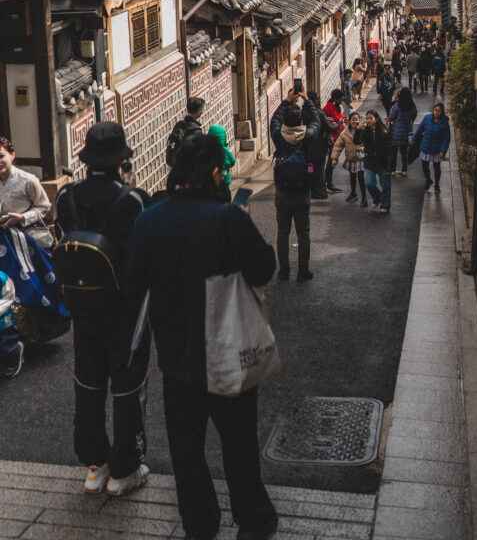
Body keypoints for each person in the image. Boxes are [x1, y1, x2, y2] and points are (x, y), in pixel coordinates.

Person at [127, 132, 278, 540]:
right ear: (214, 172)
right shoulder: (227, 218)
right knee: (239, 444)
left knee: (187, 451)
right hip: (228, 352)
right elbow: (264, 268)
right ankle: (253, 519)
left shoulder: (148, 220)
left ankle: (200, 523)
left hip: (176, 357)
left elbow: (135, 280)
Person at [54, 122, 150, 497]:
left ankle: (94, 465)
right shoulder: (133, 200)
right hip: (126, 311)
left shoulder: (67, 198)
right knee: (128, 388)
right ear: (121, 161)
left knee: (88, 384)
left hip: (83, 307)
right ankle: (125, 469)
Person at [0, 136, 69, 347]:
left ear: (12, 155)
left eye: (1, 156)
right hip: (4, 242)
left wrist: (21, 217)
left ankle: (38, 327)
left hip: (26, 240)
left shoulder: (27, 180)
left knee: (33, 287)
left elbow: (44, 206)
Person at [270, 88, 321, 282]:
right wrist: (307, 101)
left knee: (283, 232)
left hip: (282, 192)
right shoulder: (307, 135)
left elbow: (274, 120)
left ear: (285, 122)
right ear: (301, 121)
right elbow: (316, 121)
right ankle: (303, 271)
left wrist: (286, 101)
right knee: (303, 232)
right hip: (303, 190)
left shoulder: (278, 135)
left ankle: (284, 271)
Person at [412, 102, 451, 193]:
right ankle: (428, 179)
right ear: (433, 110)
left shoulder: (444, 123)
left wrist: (443, 151)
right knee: (424, 165)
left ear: (442, 112)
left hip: (436, 148)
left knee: (436, 167)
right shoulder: (427, 118)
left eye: (439, 111)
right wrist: (414, 138)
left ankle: (437, 184)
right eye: (435, 110)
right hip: (426, 146)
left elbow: (446, 138)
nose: (437, 112)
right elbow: (420, 129)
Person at [330, 111, 367, 205]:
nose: (355, 121)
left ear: (360, 120)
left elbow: (370, 143)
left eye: (357, 119)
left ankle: (364, 197)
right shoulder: (345, 133)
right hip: (351, 158)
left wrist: (363, 149)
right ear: (349, 121)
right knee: (352, 177)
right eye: (353, 120)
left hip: (361, 158)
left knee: (361, 178)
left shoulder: (364, 130)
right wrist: (334, 159)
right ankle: (353, 193)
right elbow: (338, 146)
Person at [361, 110, 392, 213]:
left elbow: (390, 151)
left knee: (385, 185)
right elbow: (357, 141)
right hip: (370, 162)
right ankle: (377, 197)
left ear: (376, 119)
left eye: (370, 118)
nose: (368, 120)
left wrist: (389, 166)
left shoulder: (384, 132)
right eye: (367, 118)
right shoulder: (366, 131)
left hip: (383, 163)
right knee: (369, 182)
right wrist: (358, 129)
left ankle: (385, 205)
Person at [166, 96, 205, 167]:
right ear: (199, 111)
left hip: (176, 167)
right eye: (201, 109)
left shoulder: (179, 125)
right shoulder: (195, 130)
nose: (202, 112)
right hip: (188, 170)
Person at [306, 90, 332, 200]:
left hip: (308, 149)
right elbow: (329, 128)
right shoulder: (319, 114)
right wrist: (339, 124)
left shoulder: (304, 112)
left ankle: (310, 190)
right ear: (316, 100)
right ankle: (320, 191)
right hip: (319, 148)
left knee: (310, 169)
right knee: (320, 170)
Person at [389, 87, 417, 175]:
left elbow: (392, 117)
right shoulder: (411, 105)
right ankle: (404, 170)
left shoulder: (397, 105)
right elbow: (414, 114)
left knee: (393, 152)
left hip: (396, 131)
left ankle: (392, 170)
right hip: (406, 131)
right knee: (404, 152)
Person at [0, 270, 23, 378]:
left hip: (2, 317)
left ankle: (15, 354)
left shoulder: (2, 278)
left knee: (7, 339)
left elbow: (9, 295)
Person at [322, 89, 345, 194]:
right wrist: (340, 122)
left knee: (332, 162)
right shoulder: (327, 109)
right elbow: (334, 122)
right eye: (341, 98)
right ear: (336, 98)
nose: (343, 99)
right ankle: (328, 184)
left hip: (338, 137)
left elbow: (339, 118)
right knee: (331, 162)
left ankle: (328, 183)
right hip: (333, 139)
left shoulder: (336, 107)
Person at [207, 124, 237, 202]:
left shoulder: (207, 150)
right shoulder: (223, 150)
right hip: (224, 181)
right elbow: (232, 161)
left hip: (211, 183)